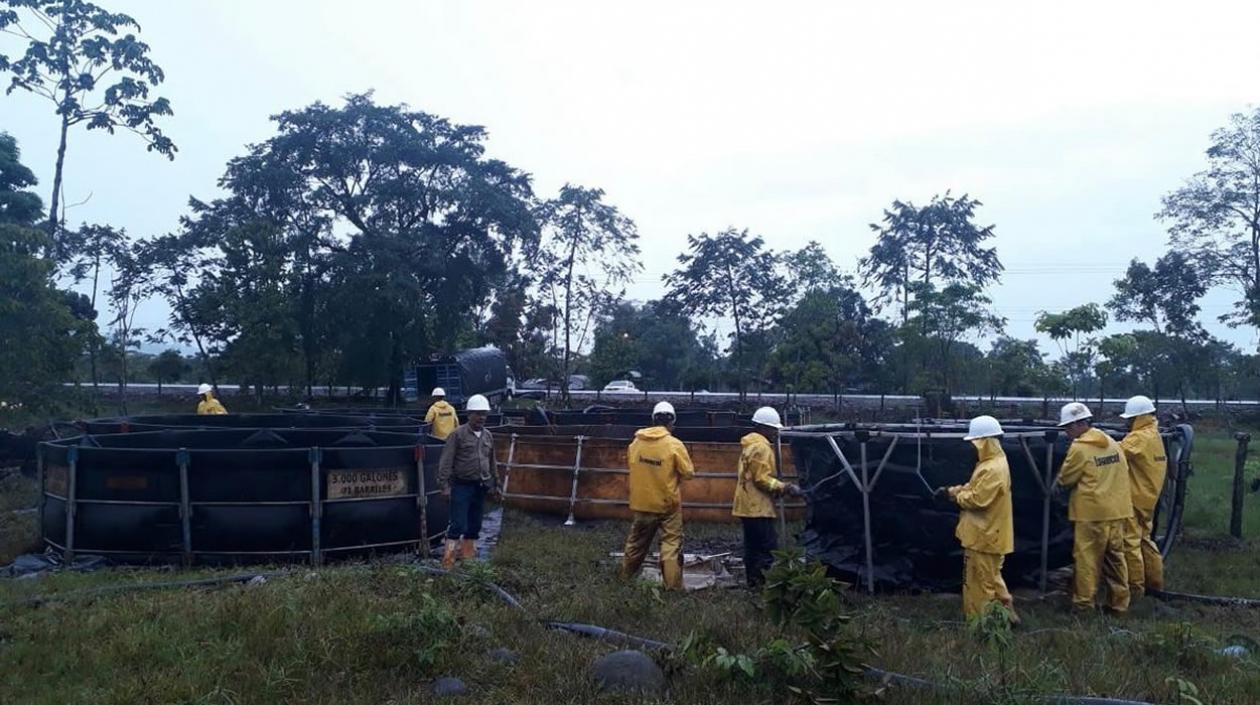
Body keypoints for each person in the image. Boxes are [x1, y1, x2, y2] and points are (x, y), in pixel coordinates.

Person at [937, 415, 1019, 624]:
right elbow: (974, 487)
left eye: (976, 442)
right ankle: (1007, 615)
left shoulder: (993, 468)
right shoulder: (991, 464)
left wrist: (955, 497)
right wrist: (951, 491)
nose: (973, 447)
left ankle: (982, 624)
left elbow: (978, 499)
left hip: (985, 535)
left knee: (980, 583)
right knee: (992, 578)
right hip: (986, 534)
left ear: (985, 442)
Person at [1056, 402, 1133, 613]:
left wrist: (1056, 488)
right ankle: (1119, 604)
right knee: (1115, 558)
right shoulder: (1111, 442)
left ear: (1078, 424)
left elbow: (1066, 478)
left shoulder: (1079, 448)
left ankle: (1083, 605)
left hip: (1091, 514)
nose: (1067, 432)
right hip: (1117, 511)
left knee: (1087, 559)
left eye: (1067, 428)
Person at [619, 401, 695, 591]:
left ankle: (624, 579)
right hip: (668, 506)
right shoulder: (674, 445)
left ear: (652, 420)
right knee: (671, 545)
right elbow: (688, 473)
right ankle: (673, 588)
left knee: (636, 544)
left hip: (642, 504)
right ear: (672, 423)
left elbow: (631, 463)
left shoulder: (636, 443)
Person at [731, 406, 801, 588]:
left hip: (746, 506)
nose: (775, 432)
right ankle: (764, 585)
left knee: (752, 548)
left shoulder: (749, 445)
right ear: (764, 428)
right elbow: (761, 479)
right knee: (767, 548)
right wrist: (784, 487)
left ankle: (753, 583)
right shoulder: (761, 448)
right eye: (773, 429)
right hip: (757, 507)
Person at [437, 394, 498, 569]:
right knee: (457, 524)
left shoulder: (488, 436)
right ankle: (448, 562)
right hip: (461, 485)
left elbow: (492, 461)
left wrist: (496, 484)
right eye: (478, 414)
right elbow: (446, 461)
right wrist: (444, 486)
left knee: (475, 524)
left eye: (484, 414)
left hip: (480, 486)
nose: (482, 418)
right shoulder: (457, 435)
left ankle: (468, 560)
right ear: (469, 414)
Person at [1119, 395, 1167, 597]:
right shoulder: (1154, 434)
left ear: (1137, 418)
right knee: (1146, 540)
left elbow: (1115, 454)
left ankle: (1135, 589)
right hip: (1149, 498)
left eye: (1129, 419)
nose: (1127, 423)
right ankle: (1155, 584)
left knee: (1130, 543)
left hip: (1134, 498)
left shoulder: (1138, 438)